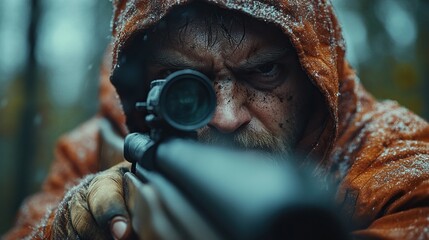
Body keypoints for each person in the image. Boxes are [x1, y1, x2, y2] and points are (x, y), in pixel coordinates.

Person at [4, 0, 429, 239]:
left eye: (264, 72)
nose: (226, 117)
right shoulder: (98, 146)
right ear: (144, 93)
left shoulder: (393, 161)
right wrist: (63, 231)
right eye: (182, 84)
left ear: (313, 73)